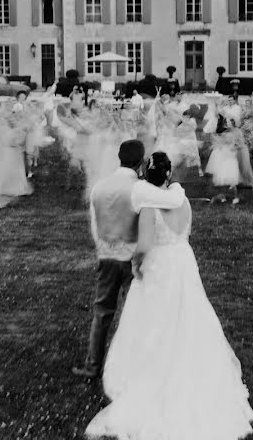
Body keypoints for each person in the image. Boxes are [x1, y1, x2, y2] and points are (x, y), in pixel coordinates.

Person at [84, 152, 253, 440]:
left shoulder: (151, 205)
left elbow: (145, 244)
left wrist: (136, 264)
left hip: (160, 264)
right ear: (168, 174)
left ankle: (151, 370)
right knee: (188, 313)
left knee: (154, 319)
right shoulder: (183, 200)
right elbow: (184, 231)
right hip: (183, 261)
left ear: (145, 175)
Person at [73, 140, 186, 380]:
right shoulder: (139, 188)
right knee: (135, 314)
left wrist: (103, 249)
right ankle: (134, 366)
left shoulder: (98, 187)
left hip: (106, 256)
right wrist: (175, 183)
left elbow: (95, 224)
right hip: (133, 259)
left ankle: (93, 365)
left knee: (102, 312)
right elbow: (174, 201)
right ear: (140, 162)